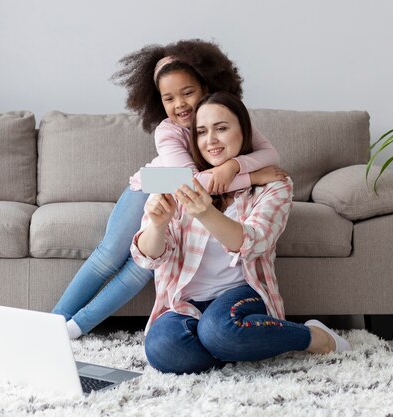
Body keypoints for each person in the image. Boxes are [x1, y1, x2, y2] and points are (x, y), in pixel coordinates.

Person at [52, 39, 286, 339]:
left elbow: (271, 156)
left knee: (142, 269)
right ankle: (54, 319)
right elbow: (187, 183)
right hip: (154, 185)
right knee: (109, 254)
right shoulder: (168, 130)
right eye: (169, 98)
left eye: (188, 93)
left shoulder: (228, 116)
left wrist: (233, 166)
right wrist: (249, 177)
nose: (180, 104)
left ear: (207, 87)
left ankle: (74, 327)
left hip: (186, 194)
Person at [131, 91, 351, 375]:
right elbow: (147, 257)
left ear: (243, 131)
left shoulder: (273, 184)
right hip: (184, 302)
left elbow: (254, 242)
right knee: (163, 350)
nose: (210, 140)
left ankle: (314, 338)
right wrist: (158, 225)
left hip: (240, 292)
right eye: (201, 132)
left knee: (219, 330)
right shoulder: (176, 178)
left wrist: (205, 213)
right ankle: (240, 345)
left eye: (221, 128)